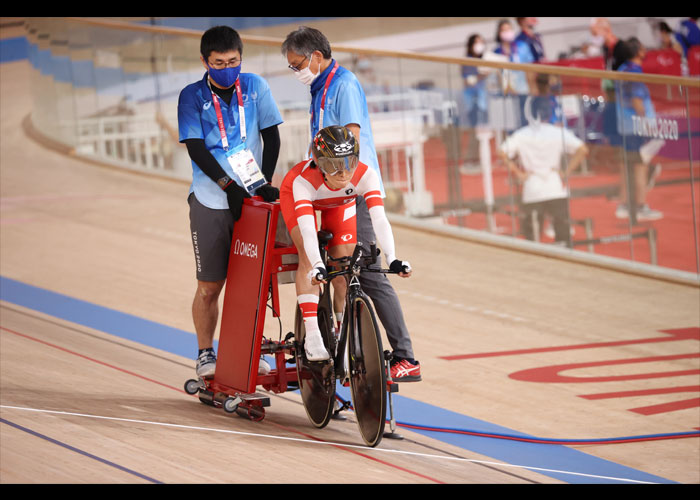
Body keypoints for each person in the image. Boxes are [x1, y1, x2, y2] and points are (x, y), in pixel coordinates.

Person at [281, 26, 421, 382]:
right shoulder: (320, 85)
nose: (296, 71)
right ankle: (332, 337)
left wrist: (340, 178)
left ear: (315, 56)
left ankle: (405, 357)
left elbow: (350, 141)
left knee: (371, 274)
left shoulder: (343, 84)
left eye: (297, 64)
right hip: (325, 185)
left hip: (350, 189)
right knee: (325, 263)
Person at [178, 25, 283, 378]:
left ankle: (251, 348)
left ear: (242, 57)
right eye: (219, 62)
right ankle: (206, 353)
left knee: (252, 285)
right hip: (211, 201)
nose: (228, 68)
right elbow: (196, 149)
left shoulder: (255, 87)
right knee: (210, 286)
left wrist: (263, 183)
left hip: (251, 202)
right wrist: (228, 186)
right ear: (205, 62)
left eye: (234, 61)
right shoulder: (191, 96)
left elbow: (271, 136)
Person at [280, 126, 412, 364]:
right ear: (319, 164)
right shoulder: (302, 181)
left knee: (343, 267)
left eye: (349, 162)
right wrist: (318, 265)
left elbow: (379, 219)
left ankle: (342, 335)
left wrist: (392, 257)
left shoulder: (365, 175)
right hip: (303, 198)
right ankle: (312, 336)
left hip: (340, 202)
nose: (343, 172)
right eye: (333, 165)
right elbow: (309, 230)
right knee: (309, 260)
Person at [498, 99, 589, 246]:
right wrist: (566, 172)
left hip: (532, 186)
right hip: (554, 185)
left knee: (532, 238)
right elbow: (583, 150)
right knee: (563, 236)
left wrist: (518, 173)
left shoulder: (522, 134)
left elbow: (502, 152)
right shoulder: (557, 132)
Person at [614, 37, 663, 221]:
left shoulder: (622, 69)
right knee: (640, 167)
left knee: (627, 168)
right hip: (636, 128)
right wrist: (646, 125)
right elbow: (636, 101)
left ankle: (624, 205)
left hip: (625, 127)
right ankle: (640, 207)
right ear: (638, 52)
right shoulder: (634, 71)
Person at [460, 34, 489, 171]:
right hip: (472, 102)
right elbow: (468, 81)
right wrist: (481, 75)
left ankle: (478, 159)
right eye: (476, 42)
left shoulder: (485, 59)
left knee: (482, 133)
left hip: (483, 101)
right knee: (474, 133)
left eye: (481, 42)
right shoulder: (467, 61)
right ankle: (470, 160)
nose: (479, 45)